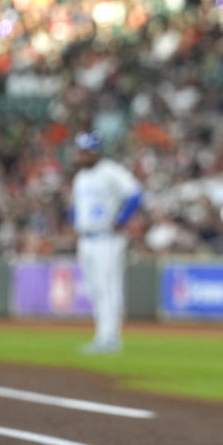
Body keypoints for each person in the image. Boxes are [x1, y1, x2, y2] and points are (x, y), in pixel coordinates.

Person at [71, 132, 143, 354]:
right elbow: (77, 208)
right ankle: (101, 336)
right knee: (94, 290)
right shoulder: (80, 177)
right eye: (81, 151)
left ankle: (110, 338)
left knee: (108, 288)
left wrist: (121, 219)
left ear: (96, 152)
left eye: (87, 151)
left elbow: (135, 193)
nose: (83, 155)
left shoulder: (110, 171)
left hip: (107, 238)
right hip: (87, 239)